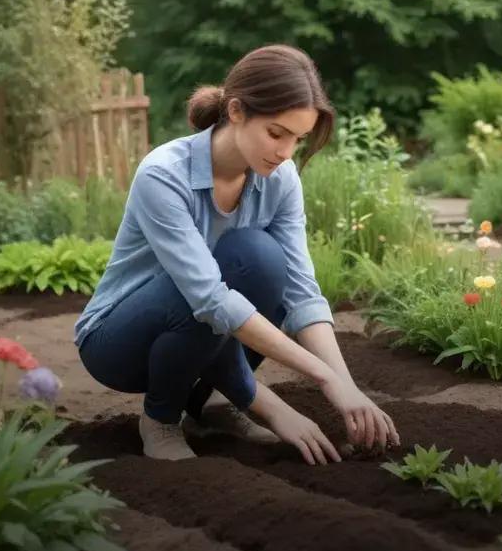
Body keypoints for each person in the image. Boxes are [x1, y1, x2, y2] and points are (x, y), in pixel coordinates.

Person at [74, 44, 400, 464]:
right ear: (236, 111)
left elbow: (301, 294)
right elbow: (207, 299)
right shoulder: (163, 174)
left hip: (198, 333)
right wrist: (285, 400)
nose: (285, 152)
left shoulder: (280, 180)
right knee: (220, 277)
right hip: (119, 342)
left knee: (262, 260)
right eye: (276, 133)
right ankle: (160, 418)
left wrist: (346, 385)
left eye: (298, 140)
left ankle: (210, 402)